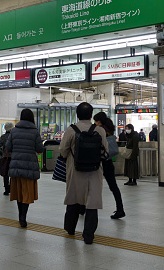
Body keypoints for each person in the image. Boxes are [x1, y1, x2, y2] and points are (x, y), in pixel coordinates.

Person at [60, 102, 108, 244]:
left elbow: (63, 150)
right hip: (94, 171)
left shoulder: (71, 130)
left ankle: (70, 228)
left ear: (77, 114)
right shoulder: (99, 131)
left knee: (73, 198)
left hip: (75, 170)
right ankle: (88, 235)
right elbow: (106, 151)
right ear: (91, 115)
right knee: (92, 202)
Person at [6, 109, 43, 228]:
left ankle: (20, 216)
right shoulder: (35, 132)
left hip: (16, 165)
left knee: (18, 192)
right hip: (29, 166)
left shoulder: (14, 131)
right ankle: (23, 217)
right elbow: (40, 149)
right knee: (27, 192)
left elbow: (8, 147)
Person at [93, 112, 125, 219]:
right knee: (113, 187)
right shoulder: (109, 129)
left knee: (91, 186)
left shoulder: (100, 130)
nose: (94, 123)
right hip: (109, 161)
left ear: (99, 121)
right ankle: (120, 209)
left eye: (96, 121)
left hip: (99, 162)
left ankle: (84, 208)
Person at [0, 122, 14, 196]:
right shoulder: (14, 136)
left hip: (6, 157)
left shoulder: (3, 137)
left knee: (5, 174)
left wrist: (1, 153)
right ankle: (13, 188)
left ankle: (6, 189)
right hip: (14, 157)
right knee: (13, 174)